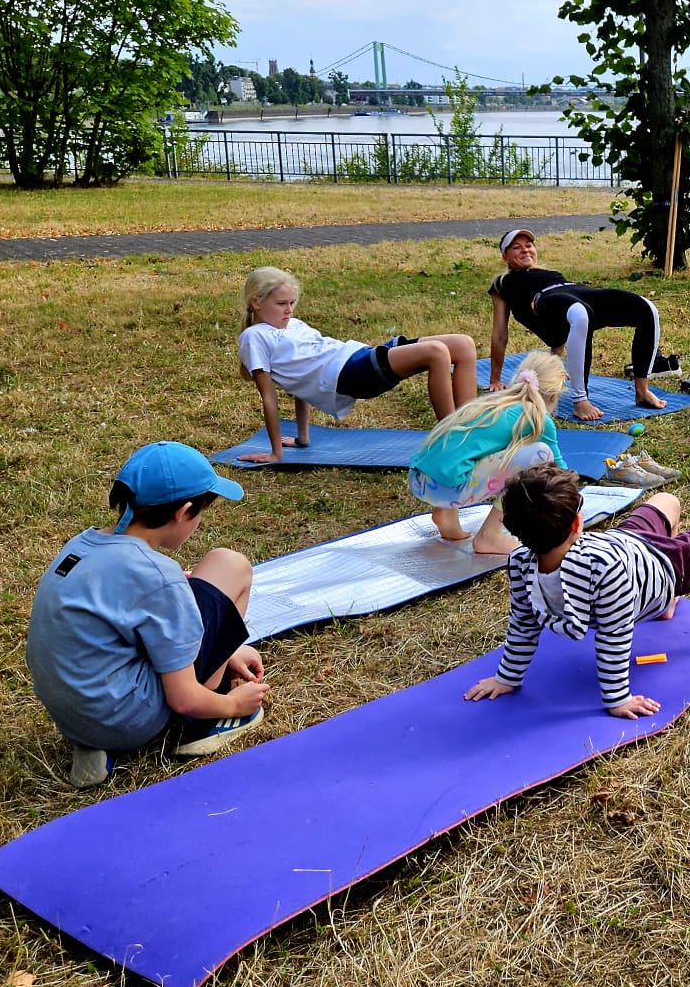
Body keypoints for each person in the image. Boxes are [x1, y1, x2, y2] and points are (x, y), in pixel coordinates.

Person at [26, 442, 270, 790]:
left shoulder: (80, 547)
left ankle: (102, 745)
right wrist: (232, 704)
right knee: (230, 564)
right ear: (183, 511)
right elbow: (183, 697)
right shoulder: (158, 576)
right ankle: (198, 728)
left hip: (74, 717)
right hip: (127, 719)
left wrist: (226, 648)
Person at [463, 464, 690, 718]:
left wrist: (507, 678)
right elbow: (614, 636)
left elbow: (523, 623)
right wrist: (617, 700)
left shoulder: (520, 561)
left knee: (668, 502)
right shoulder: (604, 571)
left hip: (626, 543)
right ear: (577, 525)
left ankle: (664, 604)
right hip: (664, 564)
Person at [236, 266, 478, 463]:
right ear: (256, 302)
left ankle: (472, 430)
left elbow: (299, 385)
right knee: (436, 352)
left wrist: (302, 438)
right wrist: (275, 453)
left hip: (358, 355)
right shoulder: (254, 337)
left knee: (463, 344)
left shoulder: (293, 324)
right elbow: (269, 396)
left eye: (292, 303)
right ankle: (453, 444)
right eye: (281, 304)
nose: (289, 310)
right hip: (349, 374)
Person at [487, 228, 671, 422]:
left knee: (647, 308)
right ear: (504, 257)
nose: (525, 250)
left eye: (529, 245)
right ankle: (580, 400)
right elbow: (500, 333)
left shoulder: (548, 271)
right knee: (580, 313)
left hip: (579, 293)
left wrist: (554, 359)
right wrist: (495, 380)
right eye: (516, 247)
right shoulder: (504, 283)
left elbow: (558, 334)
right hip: (546, 298)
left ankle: (642, 391)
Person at [408, 354, 570, 556]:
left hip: (419, 480)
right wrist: (574, 502)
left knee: (471, 451)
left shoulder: (494, 402)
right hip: (447, 490)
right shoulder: (538, 417)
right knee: (541, 453)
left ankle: (446, 515)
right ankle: (489, 535)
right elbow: (559, 469)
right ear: (554, 396)